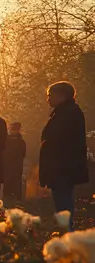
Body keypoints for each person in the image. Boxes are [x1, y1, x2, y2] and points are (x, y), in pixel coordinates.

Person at [39, 81, 88, 230]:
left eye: (50, 95)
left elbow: (60, 139)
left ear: (62, 95)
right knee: (62, 199)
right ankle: (65, 231)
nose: (48, 98)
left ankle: (67, 233)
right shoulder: (63, 112)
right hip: (61, 167)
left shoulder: (68, 113)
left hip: (63, 167)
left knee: (63, 201)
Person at [3, 122, 27, 201]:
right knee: (8, 183)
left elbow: (22, 154)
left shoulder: (20, 142)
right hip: (9, 166)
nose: (13, 130)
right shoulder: (7, 140)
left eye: (14, 129)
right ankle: (9, 199)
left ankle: (16, 199)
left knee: (16, 182)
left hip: (15, 166)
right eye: (12, 129)